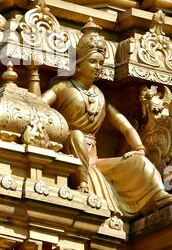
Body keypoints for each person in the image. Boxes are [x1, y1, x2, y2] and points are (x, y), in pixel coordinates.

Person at [41, 18, 172, 217]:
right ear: (78, 63)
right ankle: (83, 183)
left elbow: (124, 125)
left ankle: (158, 195)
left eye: (101, 63)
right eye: (92, 61)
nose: (97, 67)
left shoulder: (101, 95)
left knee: (141, 163)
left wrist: (139, 149)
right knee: (76, 135)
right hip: (69, 149)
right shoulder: (62, 87)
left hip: (95, 158)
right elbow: (39, 107)